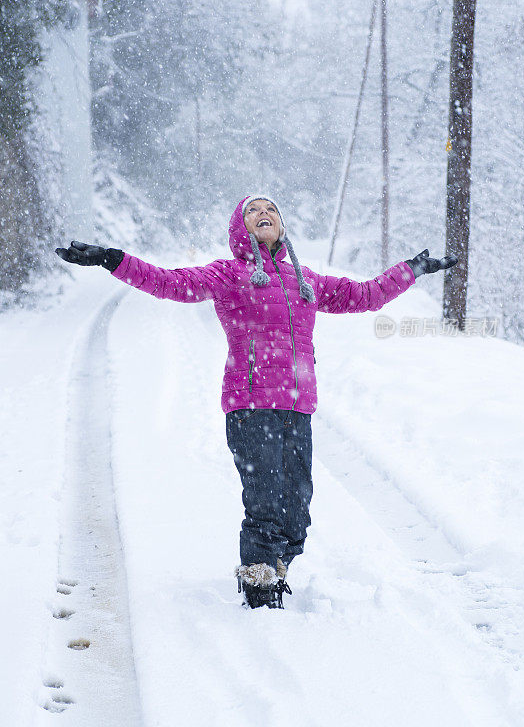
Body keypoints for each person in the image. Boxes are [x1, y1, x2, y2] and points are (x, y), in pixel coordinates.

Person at [56, 197, 457, 609]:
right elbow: (170, 282)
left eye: (271, 209)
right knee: (265, 501)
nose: (263, 213)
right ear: (240, 226)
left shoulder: (304, 279)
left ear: (281, 225)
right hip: (251, 405)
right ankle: (260, 591)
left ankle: (277, 568)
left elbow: (365, 295)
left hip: (297, 406)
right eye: (252, 210)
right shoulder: (230, 273)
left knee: (297, 511)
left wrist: (411, 270)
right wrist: (112, 259)